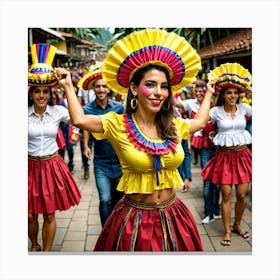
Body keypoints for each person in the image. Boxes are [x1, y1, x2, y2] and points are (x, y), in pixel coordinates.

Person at [55, 28, 215, 252]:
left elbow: (199, 122)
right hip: (135, 218)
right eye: (150, 84)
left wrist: (208, 93)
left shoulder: (174, 125)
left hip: (173, 214)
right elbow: (80, 119)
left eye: (164, 86)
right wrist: (68, 87)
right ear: (133, 87)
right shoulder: (116, 124)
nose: (158, 92)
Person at [28, 43, 81, 251]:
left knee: (49, 212)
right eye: (37, 91)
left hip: (51, 165)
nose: (41, 95)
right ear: (31, 94)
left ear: (50, 94)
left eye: (45, 92)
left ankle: (47, 253)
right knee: (30, 213)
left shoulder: (58, 111)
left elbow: (79, 119)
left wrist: (68, 86)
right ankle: (34, 244)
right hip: (28, 166)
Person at [201, 62, 252, 246]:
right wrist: (208, 92)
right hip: (224, 157)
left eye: (236, 92)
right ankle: (227, 231)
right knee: (226, 195)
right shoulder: (216, 111)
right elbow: (201, 120)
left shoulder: (245, 109)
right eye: (229, 92)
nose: (233, 96)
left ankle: (238, 224)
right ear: (222, 94)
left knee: (241, 195)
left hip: (243, 155)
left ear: (240, 94)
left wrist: (252, 91)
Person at [78, 62, 125, 226]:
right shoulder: (88, 109)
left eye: (104, 86)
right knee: (105, 199)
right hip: (101, 163)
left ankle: (116, 228)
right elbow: (86, 129)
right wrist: (85, 146)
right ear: (93, 88)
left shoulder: (119, 108)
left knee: (119, 200)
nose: (101, 90)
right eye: (98, 87)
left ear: (109, 89)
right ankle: (106, 230)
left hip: (120, 163)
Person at [175, 83, 221, 223]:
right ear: (194, 92)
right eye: (198, 91)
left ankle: (216, 210)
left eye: (203, 91)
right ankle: (208, 212)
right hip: (203, 147)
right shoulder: (190, 104)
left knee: (217, 181)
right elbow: (175, 103)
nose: (200, 93)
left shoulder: (215, 105)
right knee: (207, 180)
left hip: (218, 146)